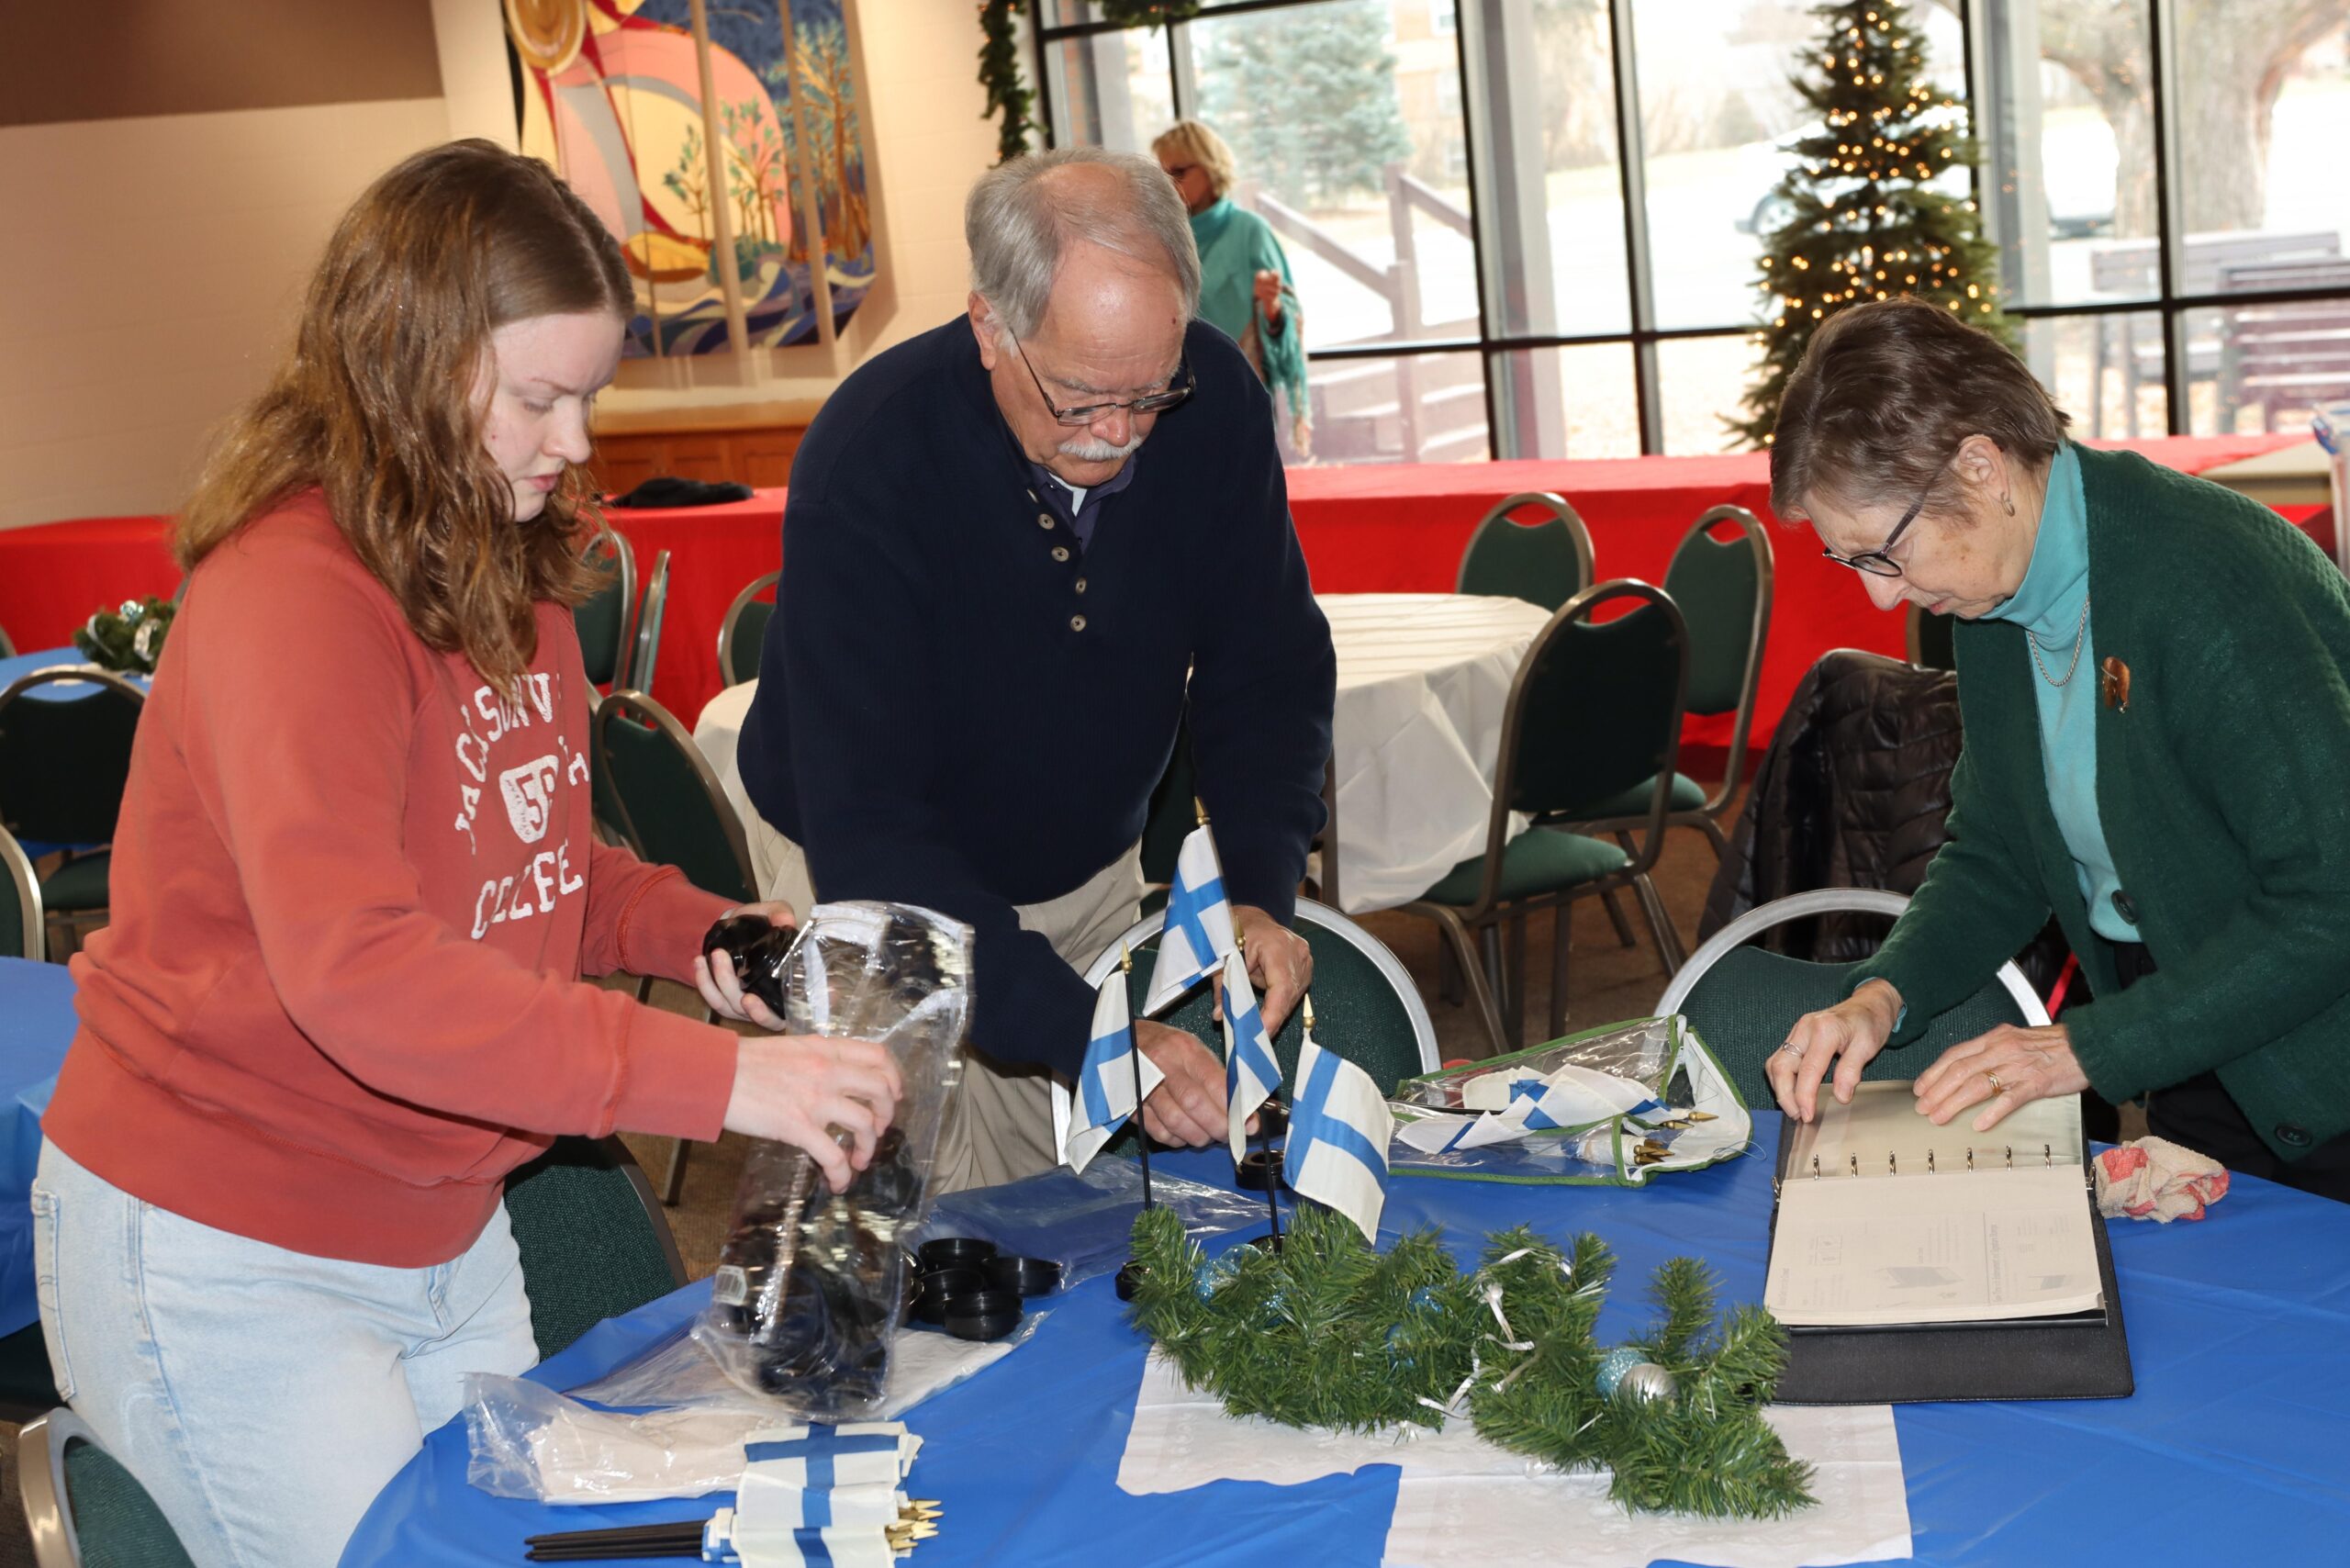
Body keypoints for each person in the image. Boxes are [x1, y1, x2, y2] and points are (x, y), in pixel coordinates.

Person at [31, 140, 903, 1566]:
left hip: (440, 1221)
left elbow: (538, 866)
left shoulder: (503, 559)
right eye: (539, 400)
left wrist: (697, 934)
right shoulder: (291, 596)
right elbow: (363, 972)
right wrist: (721, 1079)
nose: (576, 442)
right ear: (406, 371)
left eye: (589, 397)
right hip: (229, 1239)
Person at [734, 146, 1337, 1193]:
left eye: (1151, 392)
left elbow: (1267, 661)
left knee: (1064, 1202)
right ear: (989, 327)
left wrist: (1256, 884)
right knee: (898, 1226)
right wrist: (1087, 1035)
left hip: (1080, 871)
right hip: (870, 893)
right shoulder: (871, 459)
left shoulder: (1214, 404)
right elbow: (871, 831)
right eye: (1080, 398)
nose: (1120, 436)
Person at [1764, 296, 2350, 1203]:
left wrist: (2088, 1045)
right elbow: (1999, 853)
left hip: (2323, 1055)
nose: (1883, 598)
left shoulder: (2205, 583)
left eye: (1886, 552)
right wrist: (1883, 992)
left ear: (1980, 465)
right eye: (1854, 563)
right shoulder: (1994, 593)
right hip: (2192, 1031)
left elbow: (2332, 898)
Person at [1153, 119, 1313, 458]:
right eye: (1161, 174)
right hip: (1169, 400)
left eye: (1178, 171)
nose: (1169, 184)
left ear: (1210, 168)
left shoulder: (1248, 230)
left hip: (1236, 394)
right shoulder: (1160, 238)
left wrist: (1271, 310)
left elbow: (1285, 328)